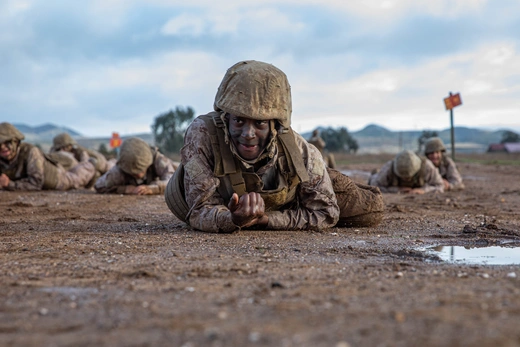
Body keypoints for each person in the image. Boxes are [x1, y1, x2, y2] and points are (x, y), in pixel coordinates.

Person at [165, 60, 384, 233]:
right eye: (239, 120)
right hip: (207, 198)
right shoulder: (202, 134)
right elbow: (199, 210)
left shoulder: (300, 151)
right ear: (226, 118)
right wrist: (231, 219)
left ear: (275, 126)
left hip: (285, 202)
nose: (248, 134)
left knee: (370, 209)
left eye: (260, 123)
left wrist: (266, 220)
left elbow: (326, 213)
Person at [0, 122, 96, 191]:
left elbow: (36, 183)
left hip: (58, 179)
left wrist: (9, 184)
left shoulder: (30, 152)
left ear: (16, 142)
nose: (2, 147)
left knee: (78, 177)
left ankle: (91, 165)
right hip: (54, 167)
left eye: (7, 142)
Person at [94, 137, 177, 195]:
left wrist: (155, 188)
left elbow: (172, 181)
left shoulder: (157, 159)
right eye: (134, 173)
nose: (139, 174)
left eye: (142, 169)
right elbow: (99, 185)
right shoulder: (120, 169)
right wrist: (125, 189)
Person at [50, 132, 115, 187]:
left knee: (104, 170)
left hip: (98, 164)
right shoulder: (57, 154)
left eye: (67, 147)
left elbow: (87, 165)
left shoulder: (80, 151)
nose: (63, 150)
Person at [368, 149, 444, 194]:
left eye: (409, 177)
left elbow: (440, 185)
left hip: (421, 187)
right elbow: (375, 185)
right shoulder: (389, 168)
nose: (406, 179)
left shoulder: (427, 167)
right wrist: (396, 189)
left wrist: (423, 190)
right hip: (385, 179)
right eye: (403, 177)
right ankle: (376, 172)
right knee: (374, 177)